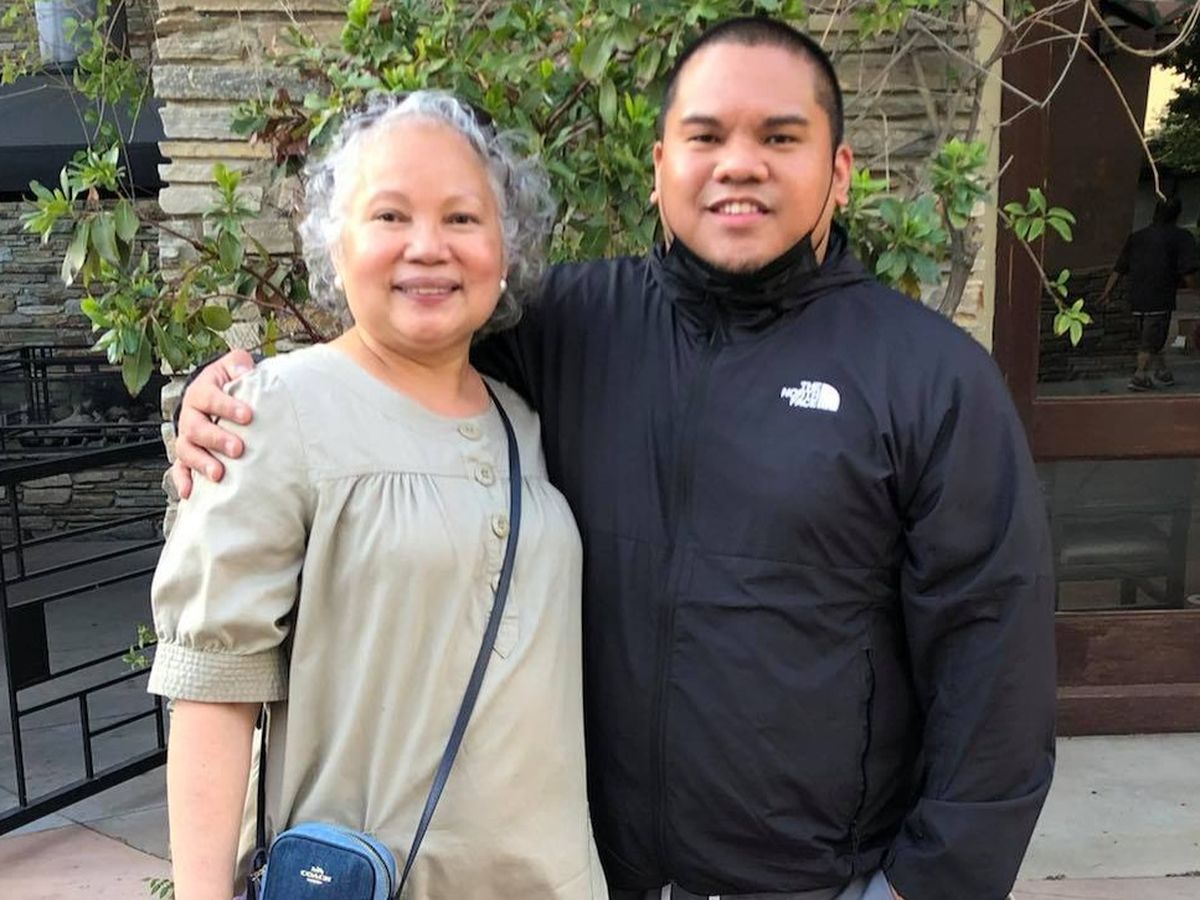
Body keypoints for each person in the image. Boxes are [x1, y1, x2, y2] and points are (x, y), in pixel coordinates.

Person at [172, 17, 1056, 900]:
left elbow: (994, 668)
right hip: (596, 877)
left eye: (780, 138)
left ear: (841, 170)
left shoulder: (929, 380)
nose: (739, 164)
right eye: (705, 137)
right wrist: (230, 400)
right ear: (660, 167)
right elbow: (400, 360)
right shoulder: (570, 328)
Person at [147, 90, 606, 900]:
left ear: (506, 248)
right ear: (337, 243)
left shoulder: (526, 420)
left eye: (462, 218)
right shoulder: (273, 414)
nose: (428, 246)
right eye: (391, 215)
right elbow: (214, 690)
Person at [1099, 196, 1200, 391]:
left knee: (1151, 337)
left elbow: (1119, 268)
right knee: (1151, 339)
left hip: (1136, 296)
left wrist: (1107, 291)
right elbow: (1188, 271)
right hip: (1160, 296)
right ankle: (1140, 375)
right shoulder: (1181, 237)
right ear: (1177, 215)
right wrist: (1196, 292)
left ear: (1155, 213)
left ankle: (1161, 370)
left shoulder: (1137, 237)